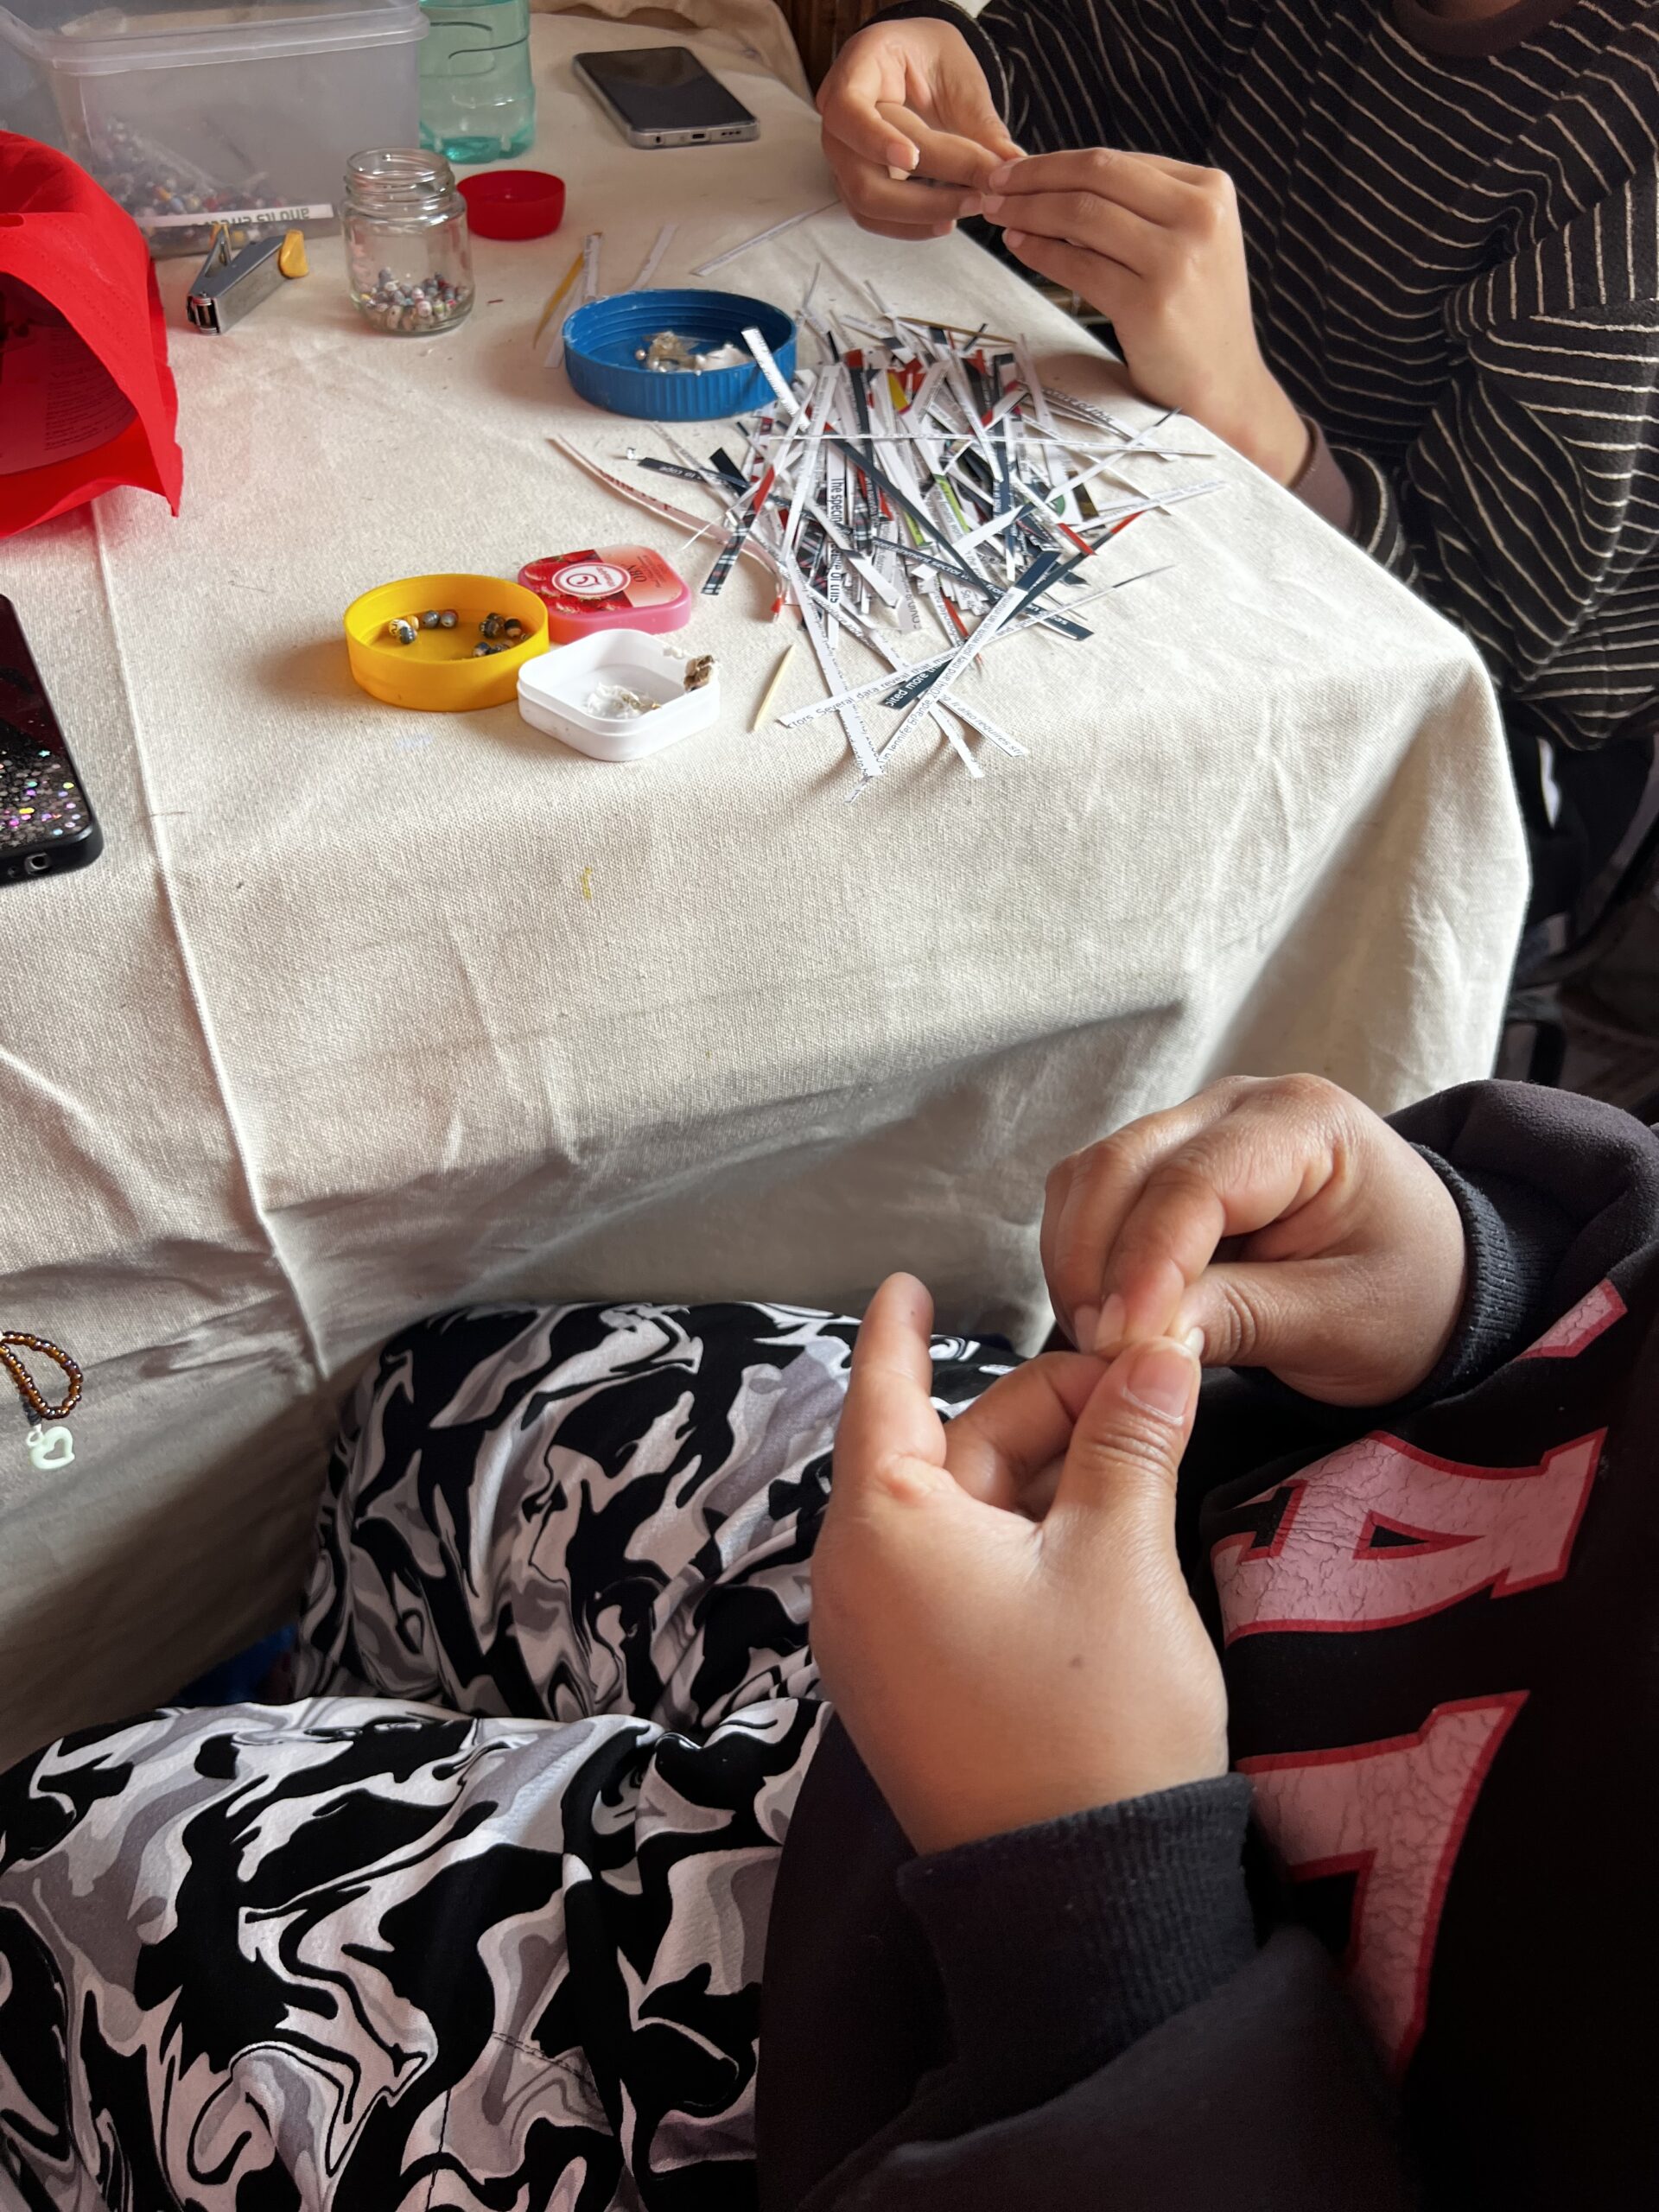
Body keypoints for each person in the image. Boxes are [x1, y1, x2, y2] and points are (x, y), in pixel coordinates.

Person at [2, 1069, 1657, 2208]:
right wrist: (1489, 1285)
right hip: (1063, 1585)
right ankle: (381, 1731)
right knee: (433, 1430)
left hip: (923, 2077)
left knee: (65, 1869)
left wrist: (1094, 1903)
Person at [816, 0, 1659, 918]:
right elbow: (1047, 85)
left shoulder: (1627, 136)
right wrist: (935, 69)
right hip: (1208, 529)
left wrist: (1241, 406)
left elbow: (1470, 645)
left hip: (1486, 745)